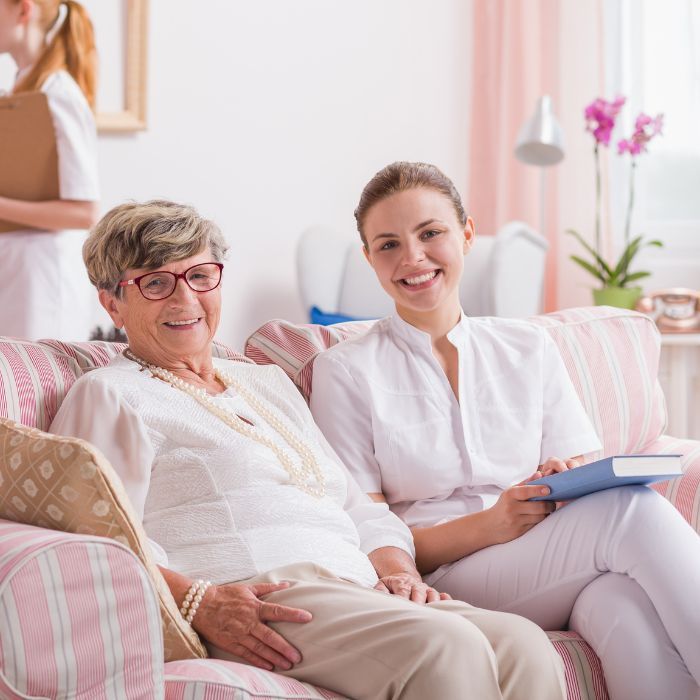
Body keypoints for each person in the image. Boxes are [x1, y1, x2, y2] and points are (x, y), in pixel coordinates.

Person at [49, 199, 567, 700]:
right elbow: (100, 538)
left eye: (200, 275)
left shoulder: (267, 383)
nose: (185, 300)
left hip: (354, 588)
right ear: (112, 301)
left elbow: (353, 504)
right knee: (446, 648)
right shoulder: (111, 393)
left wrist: (397, 572)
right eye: (156, 283)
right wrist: (197, 601)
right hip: (262, 592)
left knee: (523, 646)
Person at [310, 161, 700, 700]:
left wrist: (565, 478)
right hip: (449, 573)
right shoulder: (347, 369)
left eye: (430, 233)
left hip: (550, 557)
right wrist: (493, 524)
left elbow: (580, 468)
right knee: (631, 510)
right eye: (389, 245)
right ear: (370, 259)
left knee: (619, 602)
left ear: (467, 233)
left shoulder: (527, 347)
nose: (413, 258)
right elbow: (366, 531)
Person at [0, 0, 99, 340]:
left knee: (38, 391)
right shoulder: (21, 89)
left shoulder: (58, 94)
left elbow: (83, 212)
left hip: (44, 285)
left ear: (23, 11)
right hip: (19, 276)